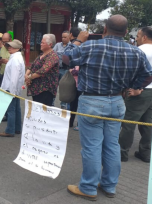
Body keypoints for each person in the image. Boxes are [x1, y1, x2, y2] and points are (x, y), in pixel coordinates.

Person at [64, 15, 152, 201]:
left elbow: (65, 59)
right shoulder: (136, 52)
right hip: (118, 102)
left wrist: (78, 39)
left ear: (104, 29)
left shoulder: (89, 46)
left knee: (92, 146)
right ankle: (109, 185)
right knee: (112, 145)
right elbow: (147, 75)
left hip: (92, 101)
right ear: (127, 32)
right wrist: (131, 88)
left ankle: (88, 187)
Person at [119, 27, 152, 163]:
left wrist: (137, 88)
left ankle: (122, 153)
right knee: (148, 123)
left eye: (138, 35)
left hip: (139, 92)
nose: (136, 38)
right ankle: (145, 153)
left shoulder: (139, 50)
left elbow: (131, 72)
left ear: (144, 37)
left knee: (128, 123)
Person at [0, 39, 25, 137]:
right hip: (15, 88)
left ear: (18, 48)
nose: (9, 47)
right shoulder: (17, 57)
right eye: (9, 46)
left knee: (11, 109)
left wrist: (12, 92)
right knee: (16, 108)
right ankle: (17, 128)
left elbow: (14, 77)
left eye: (12, 46)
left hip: (11, 88)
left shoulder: (14, 59)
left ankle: (10, 130)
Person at [25, 34, 59, 106]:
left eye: (43, 43)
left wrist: (29, 77)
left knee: (43, 113)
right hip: (36, 88)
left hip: (45, 89)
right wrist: (26, 75)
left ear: (50, 45)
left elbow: (43, 70)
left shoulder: (53, 56)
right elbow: (32, 67)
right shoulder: (41, 55)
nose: (40, 44)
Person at [53, 31, 70, 109]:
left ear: (69, 37)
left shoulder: (71, 46)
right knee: (53, 87)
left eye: (65, 37)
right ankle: (51, 103)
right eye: (62, 37)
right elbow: (53, 54)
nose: (63, 39)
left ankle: (63, 105)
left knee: (64, 89)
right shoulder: (57, 45)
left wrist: (60, 55)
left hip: (65, 70)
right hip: (56, 69)